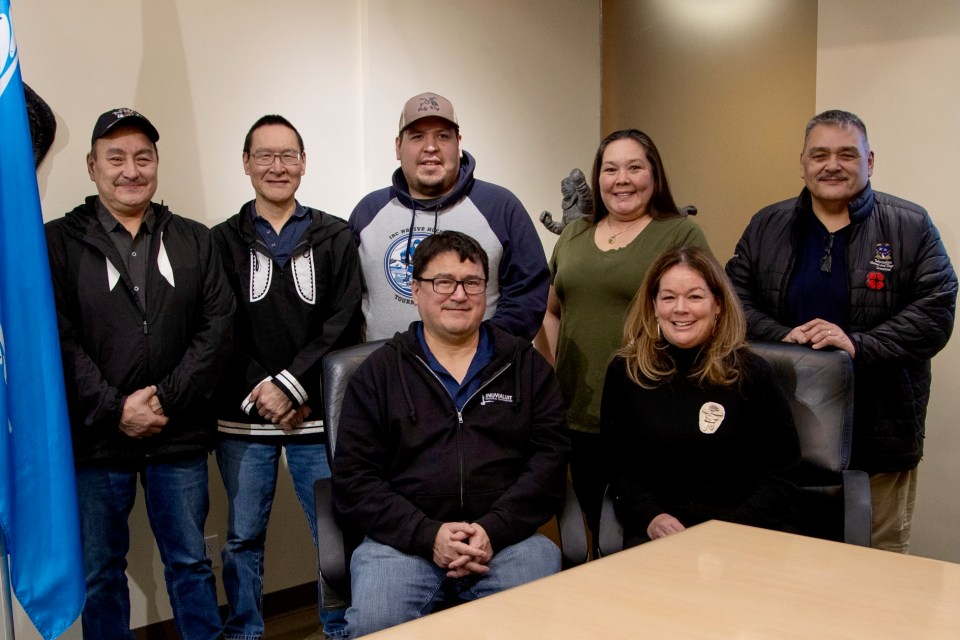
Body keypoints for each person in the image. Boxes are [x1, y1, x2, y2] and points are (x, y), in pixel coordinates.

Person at [726, 109, 957, 553]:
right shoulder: (767, 225)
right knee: (781, 564)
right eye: (820, 155)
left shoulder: (910, 226)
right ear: (803, 163)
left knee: (877, 567)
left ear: (869, 162)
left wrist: (856, 345)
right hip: (782, 430)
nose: (832, 165)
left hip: (880, 433)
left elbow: (936, 312)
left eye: (847, 154)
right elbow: (731, 302)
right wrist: (782, 337)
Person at [45, 108, 234, 640]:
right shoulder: (57, 242)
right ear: (91, 166)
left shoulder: (195, 239)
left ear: (156, 164)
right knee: (101, 575)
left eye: (143, 158)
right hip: (96, 442)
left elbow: (217, 328)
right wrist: (114, 408)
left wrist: (164, 402)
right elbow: (57, 338)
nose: (131, 170)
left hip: (179, 440)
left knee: (192, 566)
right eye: (116, 158)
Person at [331, 231, 569, 637]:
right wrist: (428, 535)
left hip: (507, 541)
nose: (459, 295)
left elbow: (549, 461)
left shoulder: (524, 366)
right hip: (402, 545)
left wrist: (494, 529)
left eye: (472, 282)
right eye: (443, 282)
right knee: (375, 626)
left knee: (539, 624)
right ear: (416, 289)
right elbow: (355, 479)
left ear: (486, 290)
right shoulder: (378, 374)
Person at [211, 115, 362, 640]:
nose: (277, 166)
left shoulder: (337, 235)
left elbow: (344, 321)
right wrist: (266, 392)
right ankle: (244, 631)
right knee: (241, 537)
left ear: (303, 163)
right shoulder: (219, 242)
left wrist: (293, 388)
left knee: (333, 532)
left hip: (315, 414)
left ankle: (339, 629)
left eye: (288, 155)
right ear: (246, 163)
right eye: (265, 155)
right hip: (243, 419)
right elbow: (219, 326)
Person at [537, 128, 710, 538]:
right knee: (593, 531)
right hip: (578, 409)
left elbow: (701, 313)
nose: (622, 179)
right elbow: (550, 309)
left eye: (635, 167)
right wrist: (552, 378)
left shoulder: (679, 234)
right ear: (598, 178)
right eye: (611, 169)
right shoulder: (575, 235)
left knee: (647, 531)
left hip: (652, 408)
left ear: (655, 175)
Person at [603, 246, 800, 547]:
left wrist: (728, 531)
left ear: (718, 305)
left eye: (695, 296)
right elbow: (618, 467)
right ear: (654, 306)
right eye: (668, 297)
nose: (680, 308)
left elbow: (782, 475)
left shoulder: (753, 373)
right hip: (661, 535)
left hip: (744, 532)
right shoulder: (626, 372)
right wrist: (652, 517)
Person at [348, 92, 549, 341]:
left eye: (443, 136)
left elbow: (527, 295)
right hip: (383, 374)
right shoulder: (368, 211)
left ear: (459, 143)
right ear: (398, 146)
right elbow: (345, 303)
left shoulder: (499, 207)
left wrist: (486, 352)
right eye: (417, 136)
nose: (430, 147)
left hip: (476, 376)